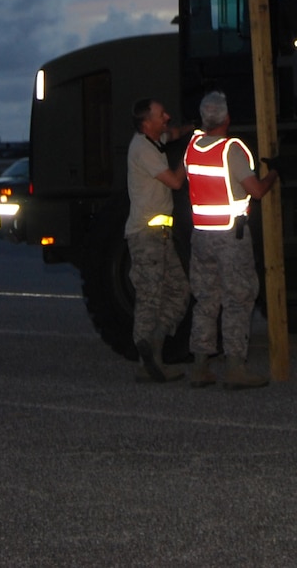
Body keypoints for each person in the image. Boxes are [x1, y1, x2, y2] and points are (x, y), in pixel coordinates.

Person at [183, 90, 278, 390]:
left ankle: (200, 366)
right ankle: (235, 367)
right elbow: (258, 191)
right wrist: (274, 172)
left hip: (201, 237)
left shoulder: (193, 147)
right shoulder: (231, 151)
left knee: (205, 299)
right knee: (238, 298)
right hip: (230, 237)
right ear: (226, 119)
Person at [125, 97, 188, 383]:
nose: (167, 117)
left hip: (160, 235)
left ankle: (154, 352)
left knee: (178, 290)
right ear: (146, 122)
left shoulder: (155, 140)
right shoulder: (143, 149)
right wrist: (190, 156)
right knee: (150, 295)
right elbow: (175, 182)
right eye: (161, 115)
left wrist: (194, 129)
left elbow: (173, 134)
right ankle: (145, 357)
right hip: (146, 235)